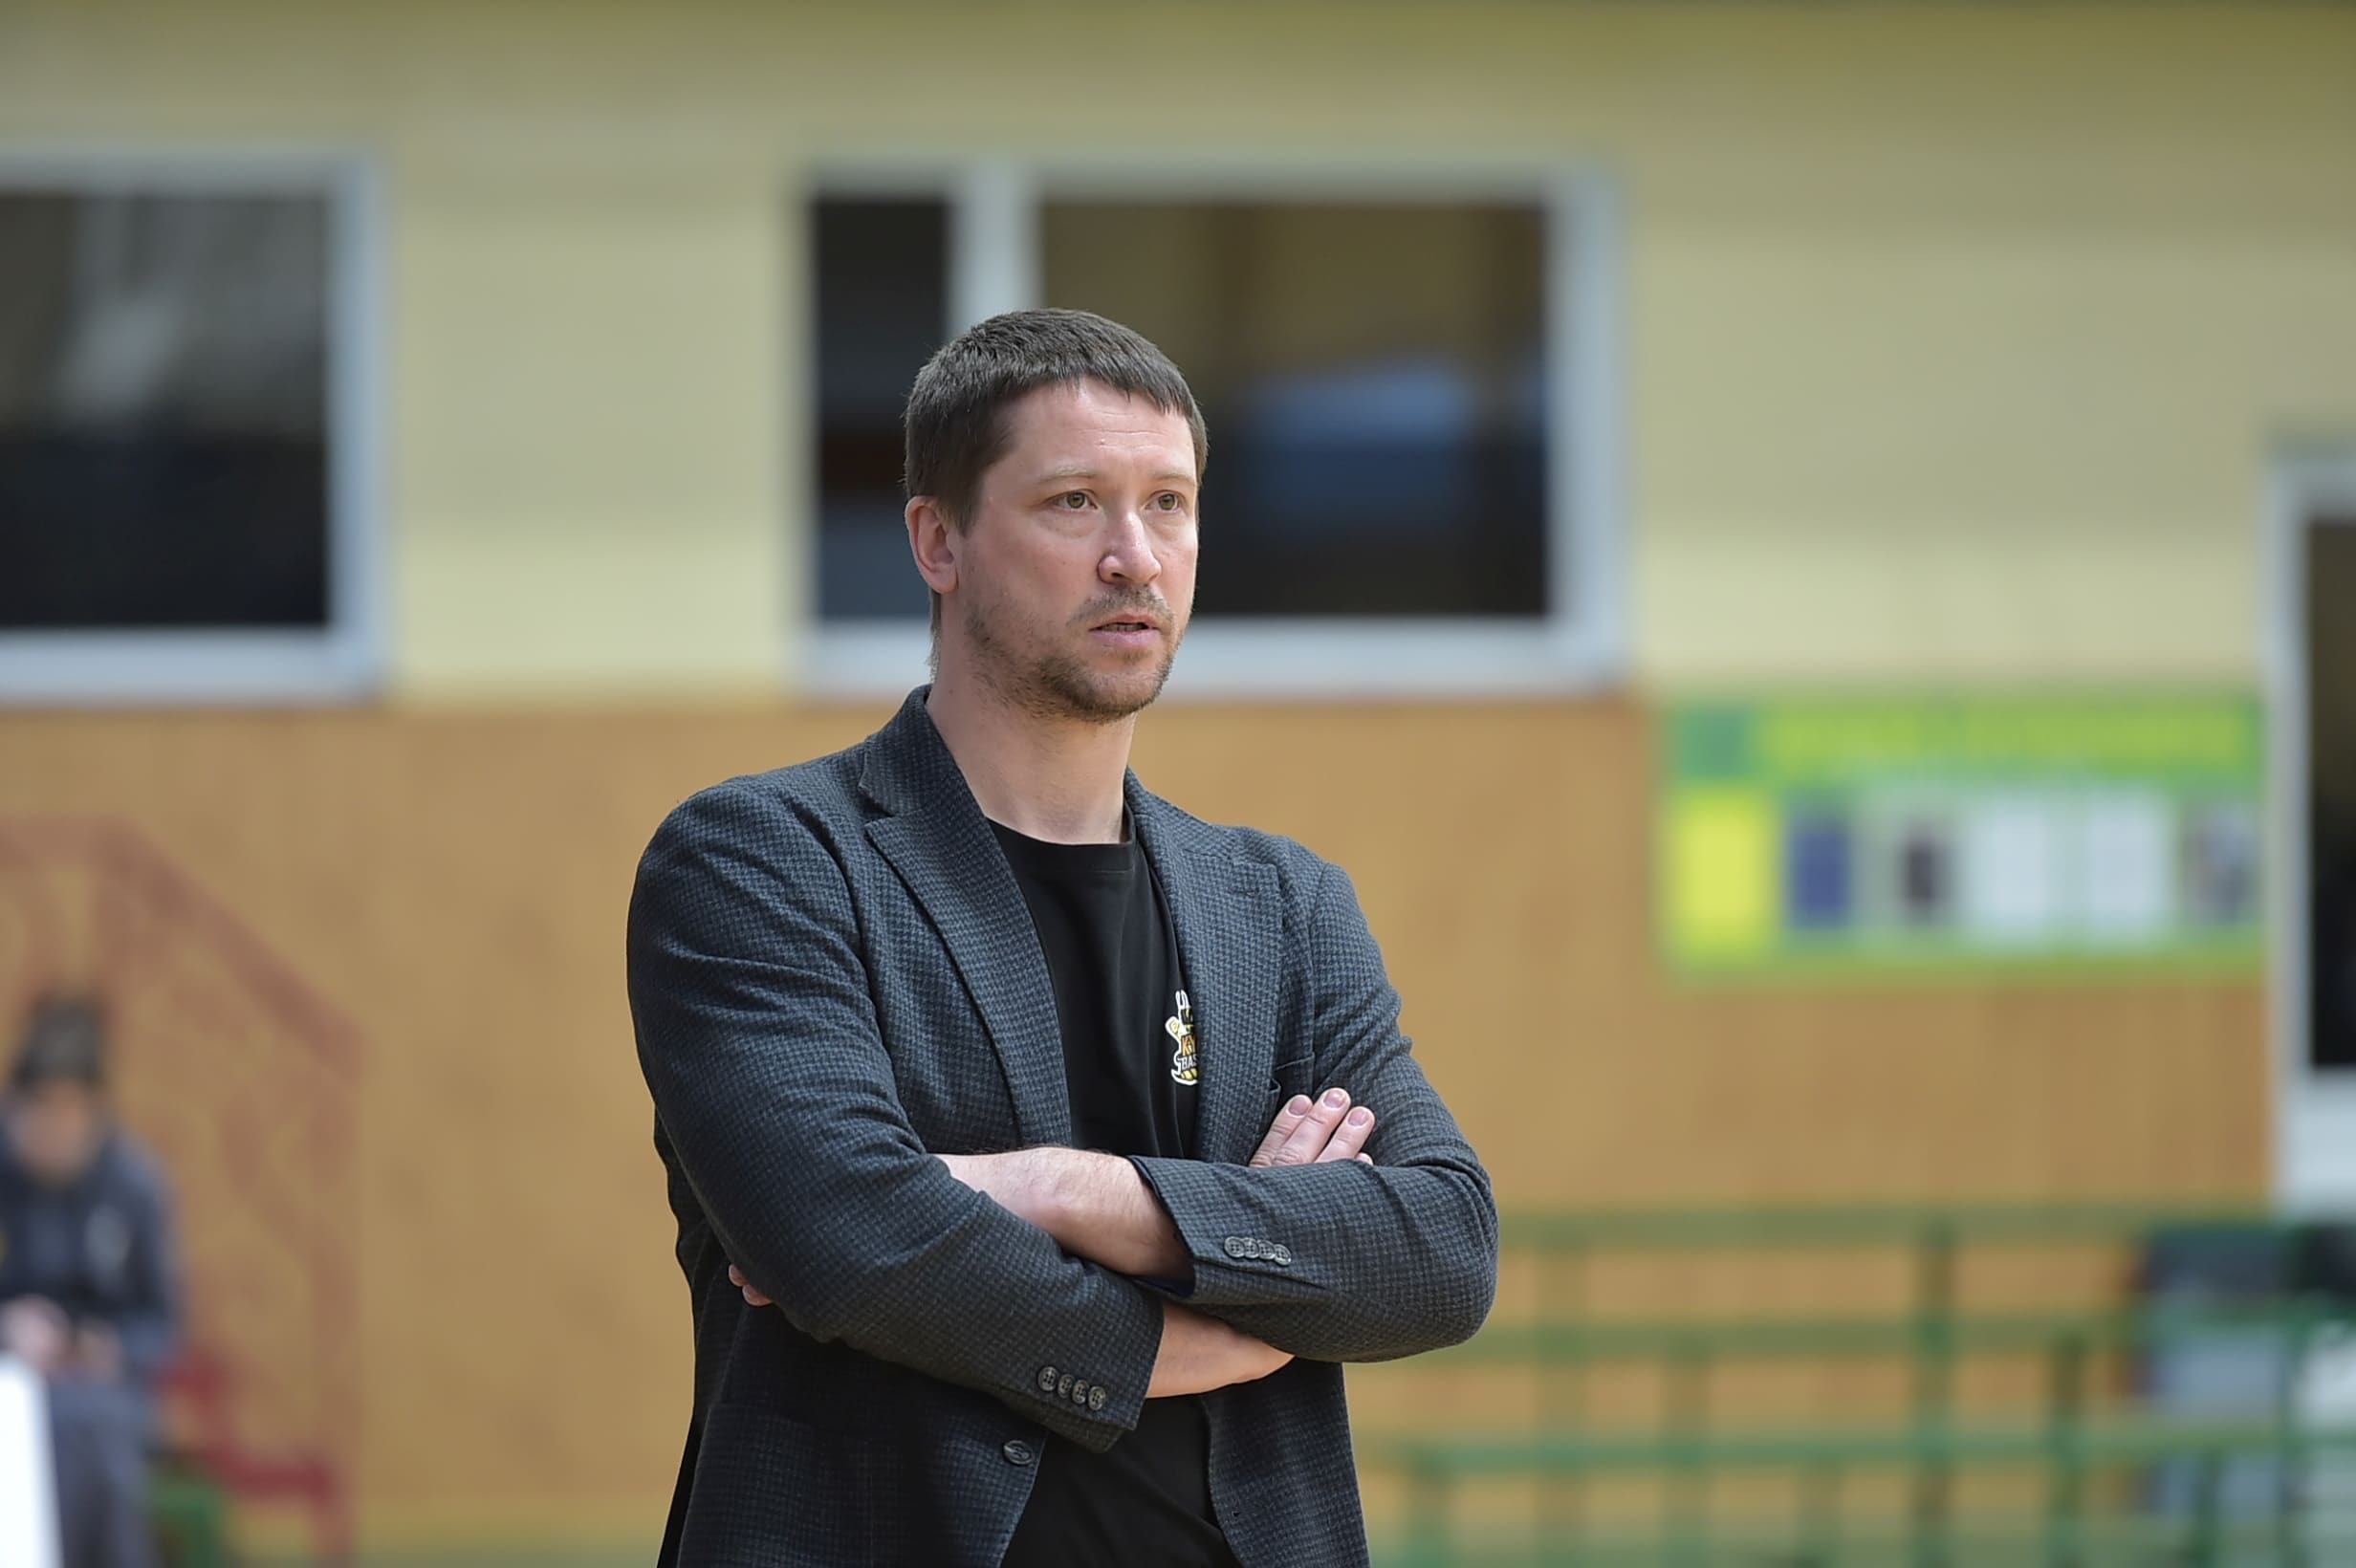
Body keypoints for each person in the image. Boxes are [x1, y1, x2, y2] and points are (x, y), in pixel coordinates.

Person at [628, 309, 1498, 1567]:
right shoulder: (763, 862)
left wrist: (1047, 1187)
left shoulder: (1284, 907)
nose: (1134, 557)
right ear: (939, 540)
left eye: (1169, 504)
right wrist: (1210, 1312)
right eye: (1074, 503)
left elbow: (1441, 1249)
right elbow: (852, 1242)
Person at [0, 997, 181, 1568]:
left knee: (94, 1439)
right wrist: (8, 1329)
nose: (54, 1129)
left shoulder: (135, 1186)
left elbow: (164, 1323)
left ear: (96, 1116)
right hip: (8, 1385)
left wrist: (109, 1348)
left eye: (70, 1112)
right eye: (41, 1110)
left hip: (105, 1394)